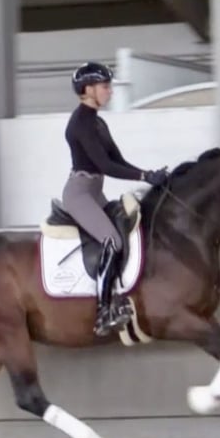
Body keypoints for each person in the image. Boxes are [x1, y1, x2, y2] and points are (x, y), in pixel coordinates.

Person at [63, 61, 168, 337]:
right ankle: (102, 312)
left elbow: (117, 159)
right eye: (105, 86)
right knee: (112, 240)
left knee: (126, 230)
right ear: (88, 90)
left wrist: (149, 173)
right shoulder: (81, 124)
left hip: (95, 190)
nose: (109, 91)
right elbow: (105, 165)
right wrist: (145, 175)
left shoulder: (98, 122)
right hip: (80, 193)